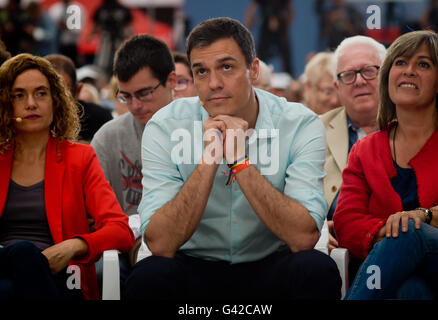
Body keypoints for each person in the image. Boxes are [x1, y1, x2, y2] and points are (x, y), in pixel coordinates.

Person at [125, 17, 341, 300]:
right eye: (201, 72)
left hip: (270, 265)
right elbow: (160, 244)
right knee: (149, 276)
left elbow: (303, 238)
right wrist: (210, 158)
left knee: (315, 268)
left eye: (226, 67)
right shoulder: (165, 126)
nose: (214, 83)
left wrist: (239, 160)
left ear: (253, 70)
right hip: (193, 266)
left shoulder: (299, 123)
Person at [0, 53, 134, 300]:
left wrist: (74, 245)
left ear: (55, 101)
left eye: (41, 93)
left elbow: (120, 231)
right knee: (20, 256)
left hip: (62, 276)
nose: (31, 103)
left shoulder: (80, 158)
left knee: (21, 267)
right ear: (6, 104)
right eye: (19, 95)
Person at [333, 30, 438, 299]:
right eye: (400, 62)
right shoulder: (366, 149)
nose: (408, 71)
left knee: (412, 233)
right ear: (388, 78)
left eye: (423, 64)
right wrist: (397, 228)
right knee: (412, 291)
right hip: (397, 274)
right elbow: (347, 223)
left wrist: (424, 218)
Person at [90, 35, 176, 278]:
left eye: (144, 93)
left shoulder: (199, 129)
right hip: (122, 246)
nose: (135, 105)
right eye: (125, 96)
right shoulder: (108, 138)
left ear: (171, 81)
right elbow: (92, 215)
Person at [320, 36, 386, 255]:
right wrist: (317, 233)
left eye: (368, 71)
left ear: (386, 75)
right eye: (348, 75)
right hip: (333, 247)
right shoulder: (314, 130)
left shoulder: (413, 127)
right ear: (336, 86)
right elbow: (291, 196)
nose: (359, 81)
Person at [45, 54, 113, 143]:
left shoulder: (100, 120)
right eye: (45, 92)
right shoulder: (30, 121)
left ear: (77, 91)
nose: (56, 99)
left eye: (63, 92)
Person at [245, 0, 294, 75]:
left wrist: (288, 20)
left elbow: (289, 7)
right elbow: (253, 6)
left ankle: (289, 75)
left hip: (281, 27)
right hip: (266, 27)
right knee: (261, 54)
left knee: (286, 55)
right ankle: (257, 74)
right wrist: (249, 18)